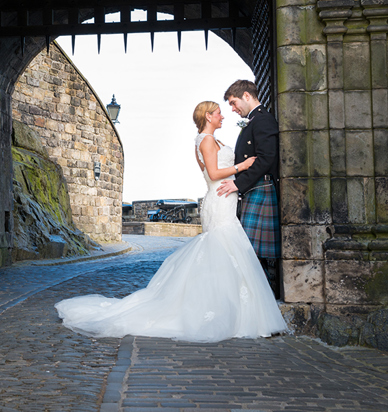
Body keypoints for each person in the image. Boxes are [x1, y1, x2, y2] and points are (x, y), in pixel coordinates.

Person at [54, 101, 287, 343]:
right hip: (219, 200)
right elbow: (213, 174)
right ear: (208, 116)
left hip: (226, 198)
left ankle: (230, 309)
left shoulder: (213, 140)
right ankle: (220, 312)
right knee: (223, 250)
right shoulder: (205, 141)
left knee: (227, 254)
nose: (223, 116)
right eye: (218, 113)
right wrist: (244, 165)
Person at [216, 80, 280, 292]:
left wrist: (237, 183)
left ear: (246, 95)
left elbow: (266, 158)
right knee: (250, 251)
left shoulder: (262, 120)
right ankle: (257, 296)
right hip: (254, 189)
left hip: (260, 188)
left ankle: (265, 295)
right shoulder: (254, 121)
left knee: (254, 251)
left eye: (234, 103)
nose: (233, 109)